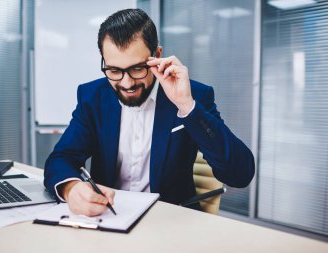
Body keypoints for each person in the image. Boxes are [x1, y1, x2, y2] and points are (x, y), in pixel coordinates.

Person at [44, 8, 255, 217]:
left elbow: (240, 175)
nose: (126, 83)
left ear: (158, 55)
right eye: (114, 71)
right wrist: (71, 189)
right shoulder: (93, 96)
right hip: (108, 216)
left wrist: (187, 106)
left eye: (137, 69)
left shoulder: (194, 94)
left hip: (169, 220)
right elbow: (61, 158)